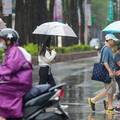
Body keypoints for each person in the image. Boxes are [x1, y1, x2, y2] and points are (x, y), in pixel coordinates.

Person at [0, 28, 33, 119]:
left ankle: (8, 114)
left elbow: (9, 68)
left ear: (8, 41)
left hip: (19, 82)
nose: (0, 43)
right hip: (16, 80)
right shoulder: (11, 51)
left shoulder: (14, 51)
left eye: (1, 40)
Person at [88, 33, 118, 113]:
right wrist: (110, 72)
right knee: (109, 89)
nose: (114, 42)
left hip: (110, 70)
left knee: (111, 90)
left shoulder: (108, 48)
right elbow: (104, 62)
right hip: (108, 71)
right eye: (113, 40)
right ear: (109, 40)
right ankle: (93, 100)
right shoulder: (106, 48)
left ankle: (110, 107)